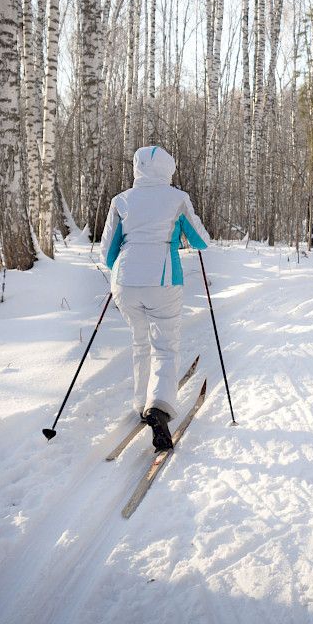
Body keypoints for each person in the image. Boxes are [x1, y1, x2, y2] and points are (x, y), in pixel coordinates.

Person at [99, 145, 212, 451]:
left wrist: (124, 269)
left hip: (125, 282)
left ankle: (140, 404)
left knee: (139, 342)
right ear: (168, 169)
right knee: (164, 346)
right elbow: (202, 240)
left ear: (137, 168)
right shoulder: (177, 199)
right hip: (163, 281)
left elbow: (107, 251)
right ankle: (158, 406)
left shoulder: (121, 200)